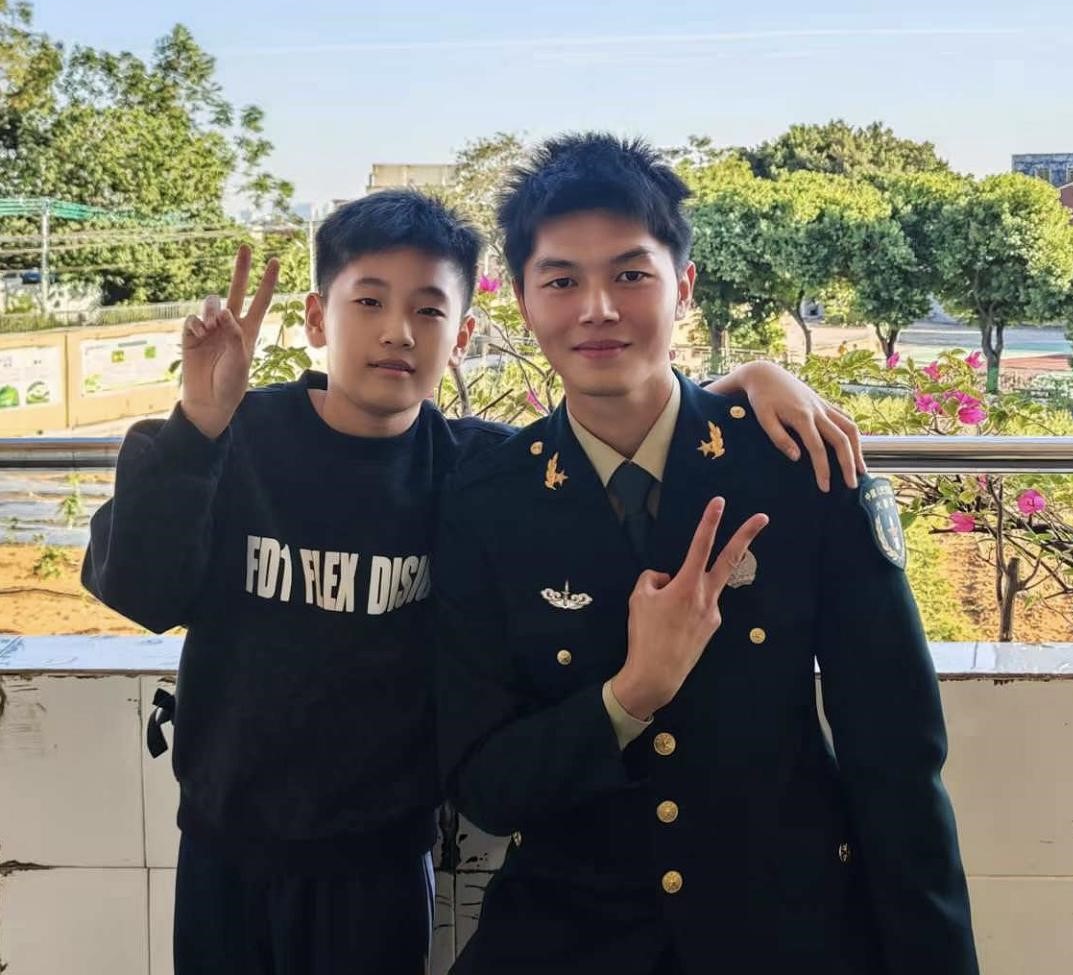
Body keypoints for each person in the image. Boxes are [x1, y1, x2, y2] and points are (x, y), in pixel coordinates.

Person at [82, 188, 859, 974]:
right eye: (369, 301)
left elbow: (617, 424)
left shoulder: (472, 470)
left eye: (428, 309)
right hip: (223, 846)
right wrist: (196, 424)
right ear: (318, 319)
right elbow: (142, 593)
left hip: (379, 860)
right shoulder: (234, 439)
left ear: (461, 335)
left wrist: (749, 378)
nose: (397, 330)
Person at [434, 134, 979, 975]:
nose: (597, 309)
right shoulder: (489, 502)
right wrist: (627, 697)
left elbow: (897, 761)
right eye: (562, 281)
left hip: (783, 932)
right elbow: (486, 784)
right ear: (524, 300)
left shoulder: (799, 468)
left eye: (630, 274)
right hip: (574, 936)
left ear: (682, 286)